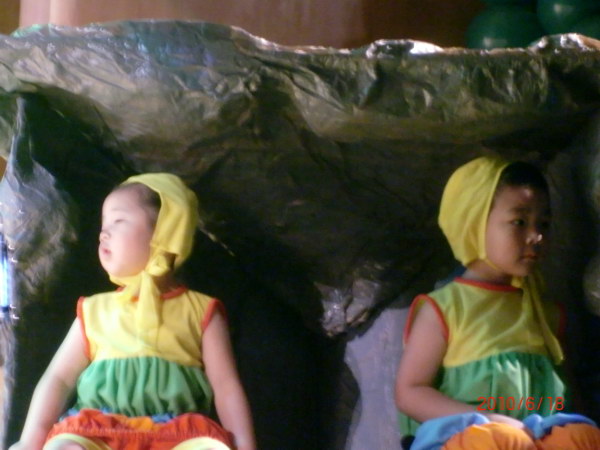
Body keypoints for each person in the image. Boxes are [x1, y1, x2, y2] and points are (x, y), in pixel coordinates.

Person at [10, 173, 256, 450]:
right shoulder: (93, 310)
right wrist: (30, 441)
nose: (103, 233)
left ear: (165, 231)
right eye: (103, 225)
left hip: (178, 435)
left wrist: (245, 446)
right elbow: (58, 379)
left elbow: (226, 387)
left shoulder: (202, 311)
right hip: (97, 432)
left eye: (118, 221)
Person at [395, 156, 600, 449]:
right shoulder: (445, 309)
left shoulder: (545, 312)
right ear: (473, 223)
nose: (536, 236)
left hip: (536, 438)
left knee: (584, 438)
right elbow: (409, 392)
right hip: (467, 438)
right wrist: (485, 420)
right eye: (519, 222)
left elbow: (569, 391)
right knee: (500, 441)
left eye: (543, 223)